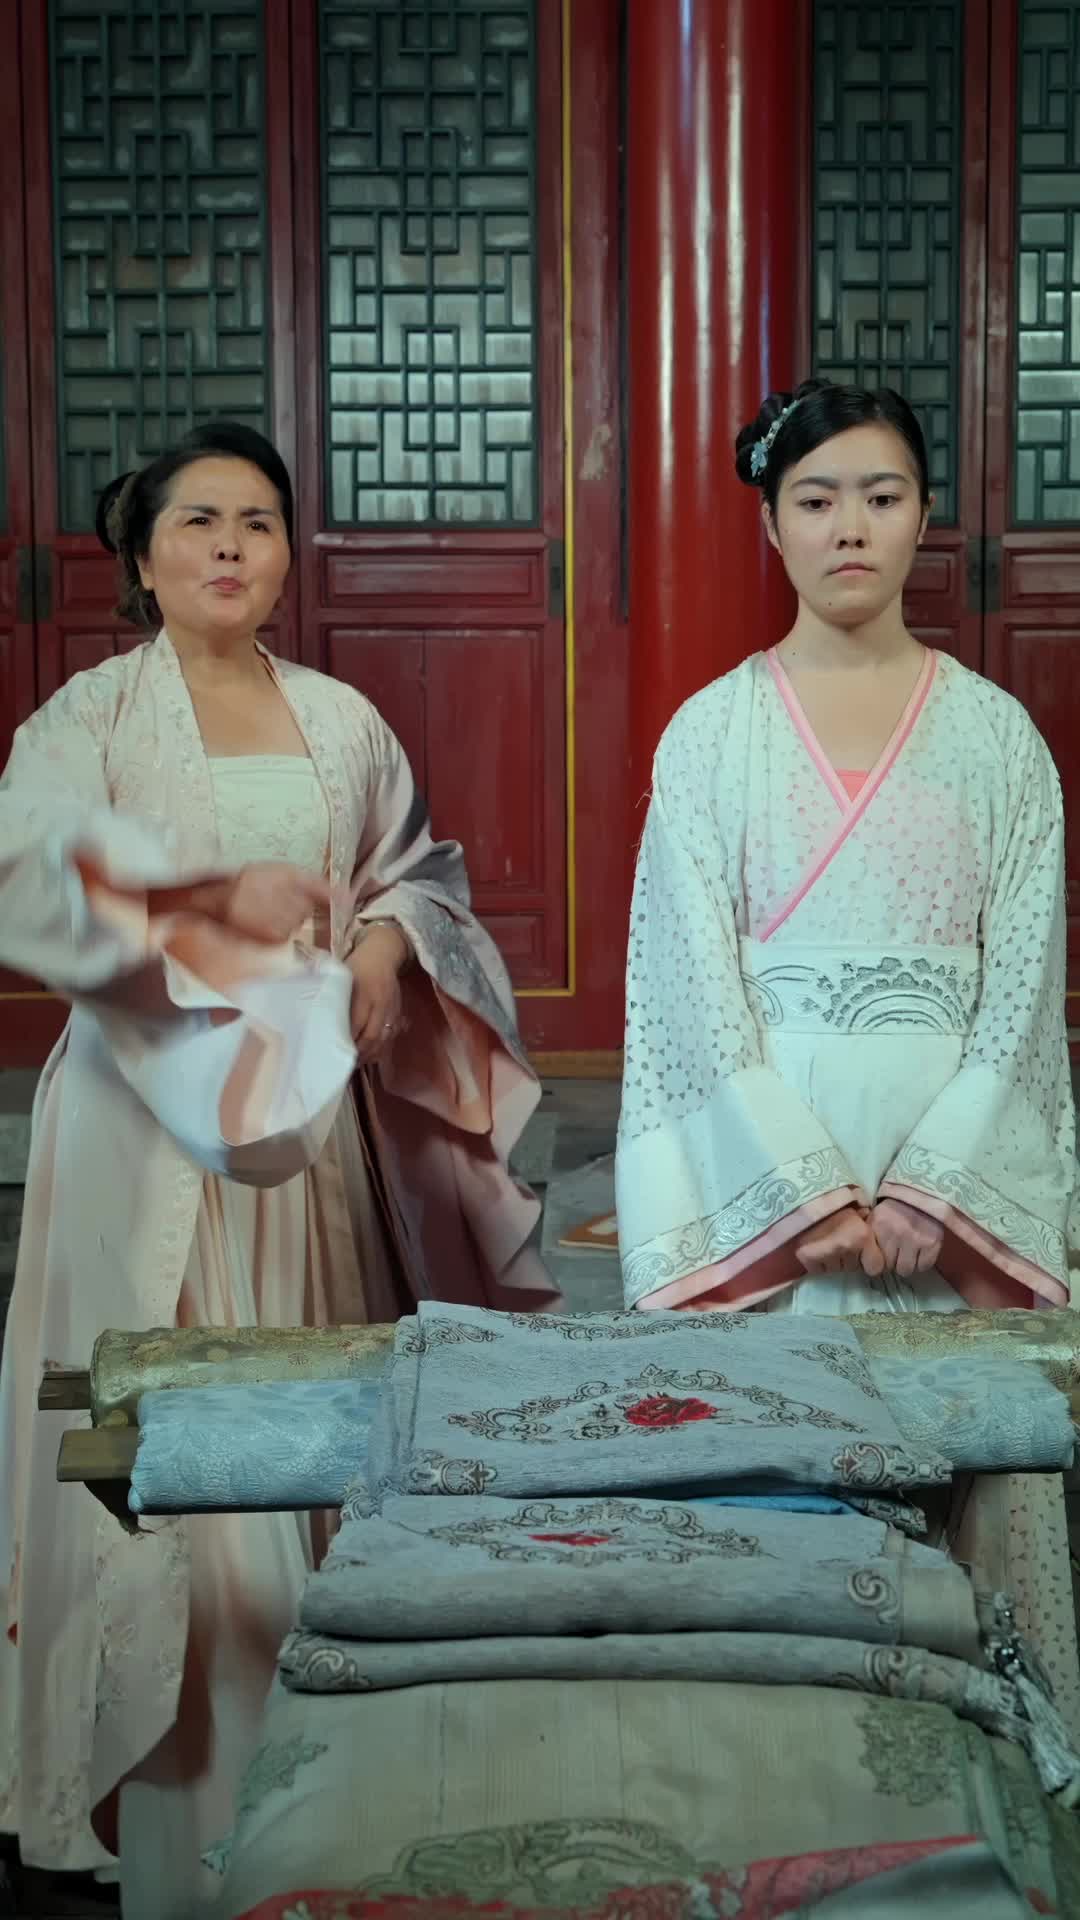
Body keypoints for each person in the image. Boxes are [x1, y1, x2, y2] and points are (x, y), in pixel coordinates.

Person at [0, 421, 556, 1912]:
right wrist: (204, 903)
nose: (231, 546)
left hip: (298, 1131)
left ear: (289, 552)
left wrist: (379, 944)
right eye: (199, 521)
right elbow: (25, 866)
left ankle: (321, 1765)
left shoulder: (341, 718)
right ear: (142, 555)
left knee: (302, 1398)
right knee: (154, 1407)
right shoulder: (89, 717)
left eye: (257, 520)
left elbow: (416, 871)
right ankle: (150, 1771)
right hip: (138, 1122)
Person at [617, 377, 1077, 1316]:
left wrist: (935, 1190)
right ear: (773, 525)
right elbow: (689, 989)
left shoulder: (999, 736)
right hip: (771, 1180)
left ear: (925, 516)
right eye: (817, 502)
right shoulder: (710, 734)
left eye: (882, 497)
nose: (851, 530)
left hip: (947, 1181)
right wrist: (802, 1195)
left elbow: (1024, 991)